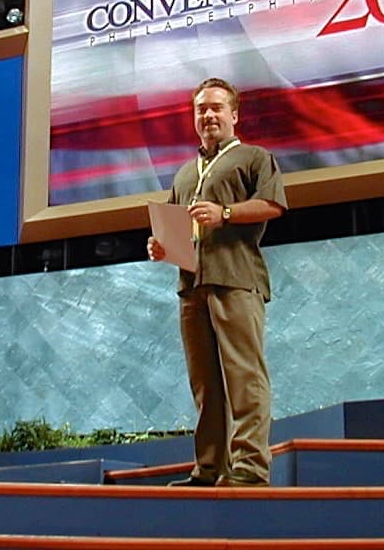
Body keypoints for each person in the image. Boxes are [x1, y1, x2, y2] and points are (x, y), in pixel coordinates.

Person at [147, 77, 287, 487]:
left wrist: (224, 214)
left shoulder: (254, 157)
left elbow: (274, 204)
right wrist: (161, 246)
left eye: (216, 108)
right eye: (201, 109)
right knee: (205, 384)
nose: (208, 115)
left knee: (245, 376)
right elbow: (175, 227)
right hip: (191, 286)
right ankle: (209, 469)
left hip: (237, 280)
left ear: (234, 114)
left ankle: (249, 469)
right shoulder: (185, 174)